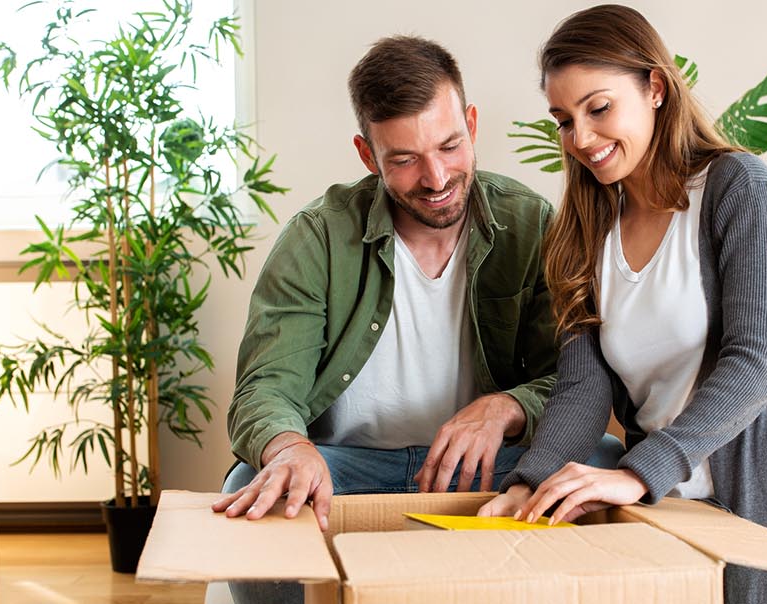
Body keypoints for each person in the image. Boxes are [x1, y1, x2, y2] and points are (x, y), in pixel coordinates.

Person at [477, 5, 767, 603]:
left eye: (598, 109)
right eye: (564, 120)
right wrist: (533, 483)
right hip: (663, 520)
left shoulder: (737, 189)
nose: (582, 139)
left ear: (655, 87)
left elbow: (756, 363)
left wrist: (635, 471)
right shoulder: (583, 231)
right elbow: (582, 389)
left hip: (760, 518)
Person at [212, 35, 622, 532]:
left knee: (600, 459)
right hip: (345, 469)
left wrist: (506, 408)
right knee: (249, 484)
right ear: (368, 155)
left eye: (449, 146)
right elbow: (266, 388)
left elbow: (572, 380)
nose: (435, 178)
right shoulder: (317, 237)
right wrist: (291, 449)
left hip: (489, 471)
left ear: (471, 126)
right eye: (404, 160)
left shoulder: (531, 223)